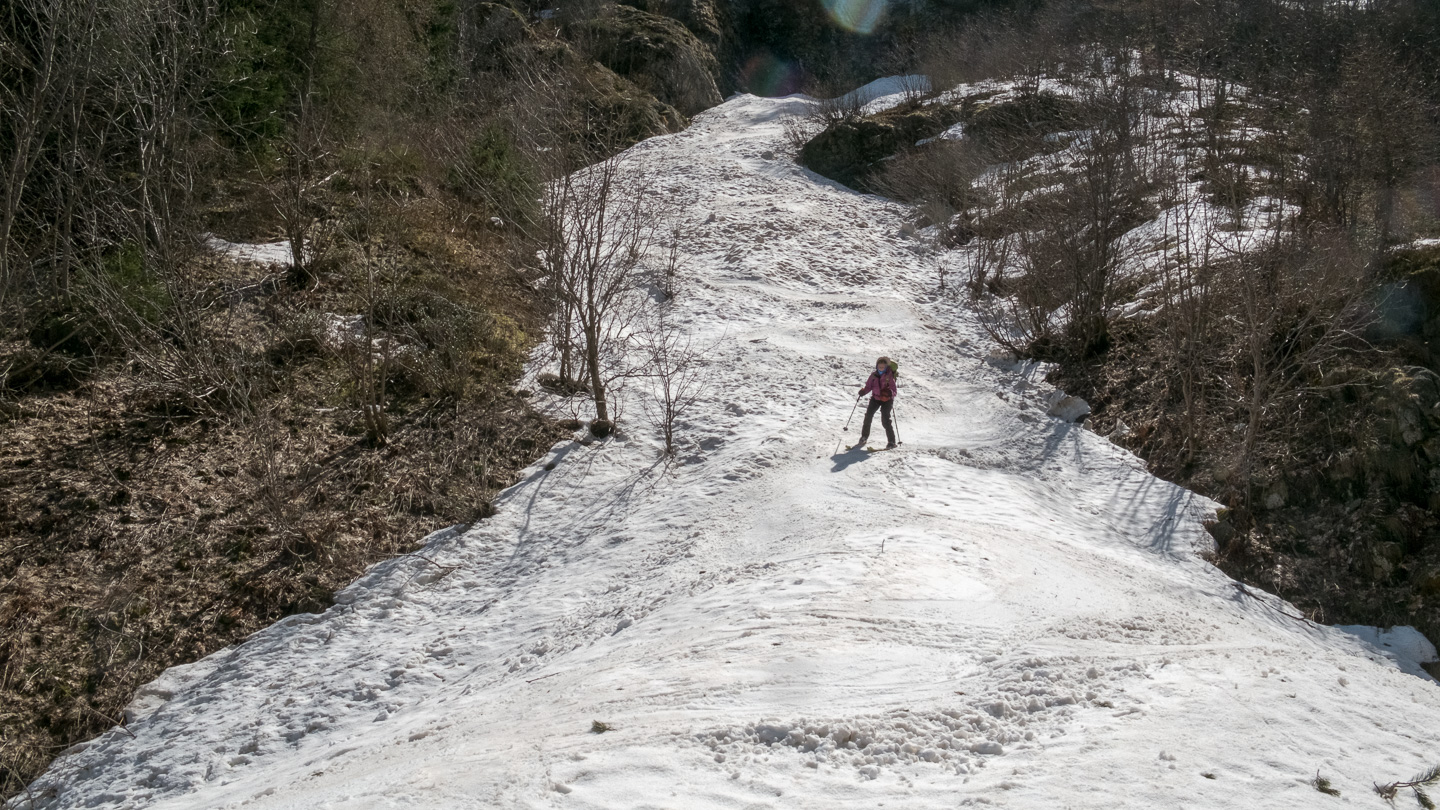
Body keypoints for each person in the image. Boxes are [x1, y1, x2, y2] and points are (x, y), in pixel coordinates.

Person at [856, 356, 897, 449]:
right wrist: (863, 391)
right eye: (880, 367)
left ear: (886, 367)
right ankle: (864, 437)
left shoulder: (889, 376)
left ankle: (891, 441)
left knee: (885, 420)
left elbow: (894, 390)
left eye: (883, 367)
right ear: (877, 366)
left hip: (887, 400)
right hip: (876, 398)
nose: (881, 368)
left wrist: (890, 393)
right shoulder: (873, 375)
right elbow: (868, 386)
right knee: (868, 416)